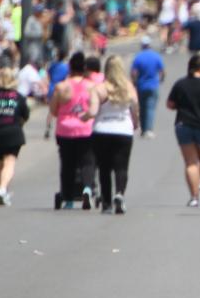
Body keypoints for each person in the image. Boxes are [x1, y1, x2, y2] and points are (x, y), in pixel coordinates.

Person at [89, 55, 139, 215]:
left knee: (104, 168)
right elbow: (135, 107)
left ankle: (106, 203)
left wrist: (84, 116)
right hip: (123, 130)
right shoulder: (129, 87)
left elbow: (93, 111)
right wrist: (135, 122)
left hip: (102, 130)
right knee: (121, 167)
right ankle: (120, 194)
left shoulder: (99, 88)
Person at [168, 53, 200, 207]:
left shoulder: (180, 84)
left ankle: (194, 197)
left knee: (190, 162)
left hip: (183, 124)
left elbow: (170, 104)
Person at [49, 52, 95, 210]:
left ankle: (68, 196)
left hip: (65, 130)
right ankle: (88, 187)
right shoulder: (91, 86)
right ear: (84, 68)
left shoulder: (61, 87)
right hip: (86, 129)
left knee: (67, 163)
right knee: (87, 161)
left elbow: (54, 110)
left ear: (70, 67)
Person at [0, 67, 29, 206]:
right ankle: (2, 189)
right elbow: (25, 115)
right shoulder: (18, 97)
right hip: (13, 132)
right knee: (9, 162)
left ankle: (3, 190)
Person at [130, 36, 164, 138]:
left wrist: (135, 82)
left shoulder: (138, 57)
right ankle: (148, 129)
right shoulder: (156, 56)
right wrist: (161, 79)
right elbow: (162, 71)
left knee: (142, 107)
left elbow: (134, 72)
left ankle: (143, 128)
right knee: (150, 107)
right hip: (153, 85)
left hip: (141, 85)